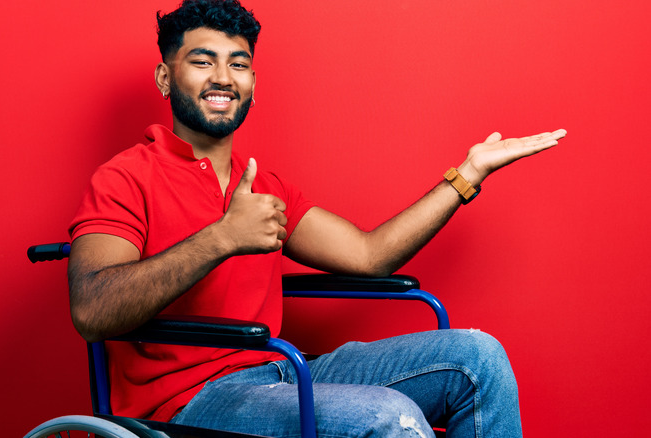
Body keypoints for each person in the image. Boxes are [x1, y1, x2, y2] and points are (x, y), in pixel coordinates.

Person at [67, 1, 566, 436]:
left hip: (284, 372)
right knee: (389, 416)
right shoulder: (126, 177)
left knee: (479, 359)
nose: (222, 76)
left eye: (238, 64)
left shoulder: (265, 186)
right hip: (192, 402)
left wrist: (467, 174)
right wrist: (222, 237)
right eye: (202, 61)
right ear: (164, 77)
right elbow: (91, 313)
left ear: (253, 84)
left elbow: (370, 255)